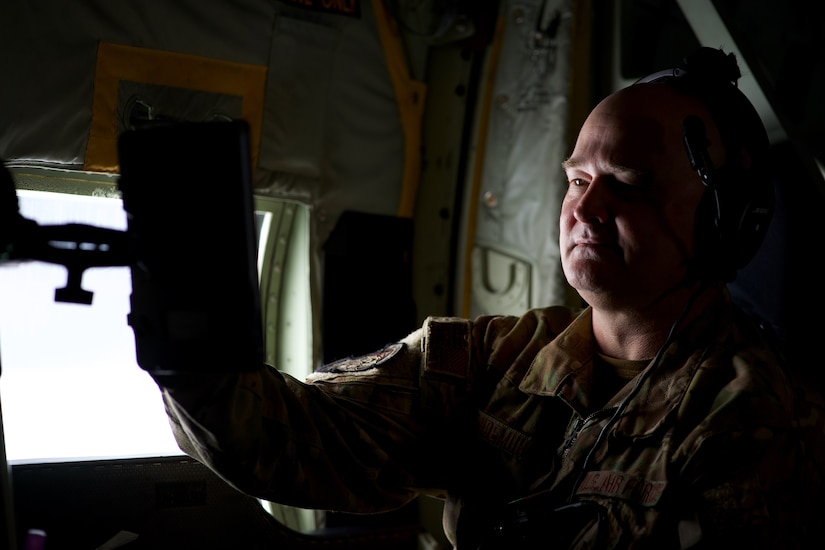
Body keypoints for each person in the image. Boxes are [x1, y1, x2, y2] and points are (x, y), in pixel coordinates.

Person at [150, 47, 825, 548]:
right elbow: (304, 440)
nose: (585, 208)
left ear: (724, 223)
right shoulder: (497, 356)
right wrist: (189, 342)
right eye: (577, 179)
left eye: (627, 181)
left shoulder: (755, 417)